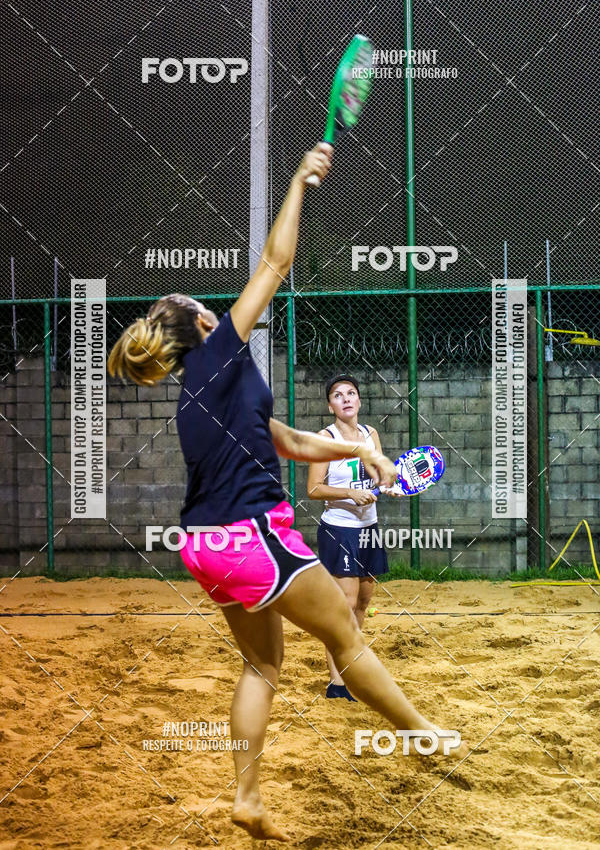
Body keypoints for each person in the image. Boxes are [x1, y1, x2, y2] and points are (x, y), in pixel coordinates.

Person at [108, 144, 458, 843]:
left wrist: (361, 451)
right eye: (212, 310)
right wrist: (299, 182)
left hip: (206, 551)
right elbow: (274, 264)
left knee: (263, 665)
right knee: (347, 639)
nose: (222, 312)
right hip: (252, 539)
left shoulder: (201, 393)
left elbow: (292, 443)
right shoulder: (218, 352)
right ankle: (422, 733)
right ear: (203, 327)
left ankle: (246, 795)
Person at [307, 374, 388, 701]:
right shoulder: (322, 440)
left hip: (369, 527)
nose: (346, 398)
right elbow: (313, 489)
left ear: (359, 400)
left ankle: (350, 664)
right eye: (338, 395)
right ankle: (337, 682)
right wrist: (349, 494)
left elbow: (379, 476)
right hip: (339, 529)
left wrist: (387, 484)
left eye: (351, 393)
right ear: (331, 405)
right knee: (345, 604)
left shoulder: (371, 434)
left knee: (364, 601)